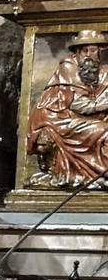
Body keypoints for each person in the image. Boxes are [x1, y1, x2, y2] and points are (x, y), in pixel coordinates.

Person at [27, 30, 108, 189]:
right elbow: (79, 105)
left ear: (99, 52)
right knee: (104, 130)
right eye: (84, 50)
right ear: (77, 52)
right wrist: (103, 105)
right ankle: (99, 174)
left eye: (92, 50)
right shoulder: (69, 67)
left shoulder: (101, 71)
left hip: (74, 118)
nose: (88, 55)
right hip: (56, 120)